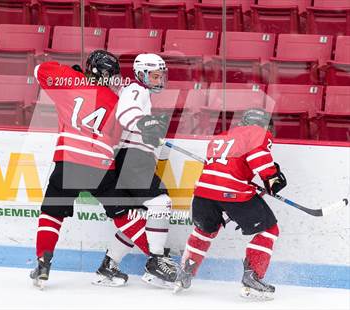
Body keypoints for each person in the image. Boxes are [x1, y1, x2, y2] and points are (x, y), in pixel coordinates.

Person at [29, 50, 127, 289]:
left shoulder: (69, 82)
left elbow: (39, 70)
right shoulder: (116, 101)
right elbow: (116, 138)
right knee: (123, 213)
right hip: (100, 167)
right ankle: (156, 259)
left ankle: (43, 262)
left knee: (51, 213)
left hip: (68, 163)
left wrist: (70, 73)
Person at [174, 108, 287, 300]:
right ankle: (253, 277)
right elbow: (263, 167)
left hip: (203, 193)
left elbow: (223, 170)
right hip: (232, 193)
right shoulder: (257, 134)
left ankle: (185, 272)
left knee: (204, 231)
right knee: (269, 230)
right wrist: (274, 180)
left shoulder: (222, 136)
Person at [93, 54, 178, 288]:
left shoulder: (142, 93)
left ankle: (108, 267)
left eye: (161, 75)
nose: (159, 79)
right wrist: (147, 124)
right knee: (161, 203)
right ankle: (157, 262)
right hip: (133, 159)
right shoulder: (135, 89)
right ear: (141, 74)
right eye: (154, 75)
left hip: (133, 159)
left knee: (138, 216)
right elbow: (126, 113)